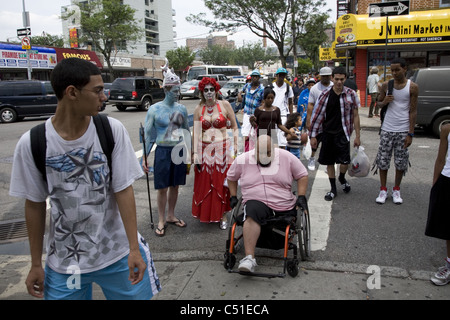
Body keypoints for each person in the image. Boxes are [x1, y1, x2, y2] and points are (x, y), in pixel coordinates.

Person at [9, 58, 160, 300]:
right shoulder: (34, 143)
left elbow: (123, 190)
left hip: (117, 254)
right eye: (98, 90)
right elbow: (35, 204)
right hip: (67, 263)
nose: (105, 97)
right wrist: (36, 263)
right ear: (72, 93)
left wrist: (134, 249)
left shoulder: (110, 130)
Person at [226, 135, 309, 273]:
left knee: (255, 210)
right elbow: (231, 177)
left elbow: (302, 175)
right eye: (261, 153)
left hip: (283, 204)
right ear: (255, 150)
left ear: (274, 149)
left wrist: (301, 196)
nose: (265, 156)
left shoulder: (286, 157)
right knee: (251, 210)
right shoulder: (243, 159)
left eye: (268, 152)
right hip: (256, 203)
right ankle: (249, 259)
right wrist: (233, 196)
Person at [144, 59, 190, 236]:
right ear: (166, 89)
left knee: (175, 186)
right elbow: (149, 135)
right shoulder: (154, 110)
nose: (177, 93)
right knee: (162, 187)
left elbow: (186, 131)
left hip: (178, 149)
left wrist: (190, 153)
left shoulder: (182, 109)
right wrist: (145, 158)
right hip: (162, 150)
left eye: (179, 89)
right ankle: (161, 219)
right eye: (175, 90)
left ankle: (171, 215)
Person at [192, 77, 238, 229]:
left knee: (221, 183)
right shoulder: (199, 109)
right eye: (206, 90)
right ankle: (207, 213)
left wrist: (236, 145)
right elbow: (196, 133)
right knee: (205, 183)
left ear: (216, 90)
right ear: (202, 92)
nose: (209, 93)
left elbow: (235, 127)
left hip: (223, 149)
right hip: (205, 150)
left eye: (212, 89)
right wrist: (195, 153)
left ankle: (223, 214)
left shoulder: (225, 105)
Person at [309, 66, 361, 201]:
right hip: (327, 133)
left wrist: (358, 136)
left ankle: (342, 177)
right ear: (332, 78)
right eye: (336, 79)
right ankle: (333, 189)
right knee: (329, 162)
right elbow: (317, 115)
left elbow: (356, 115)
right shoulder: (325, 94)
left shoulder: (351, 94)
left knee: (344, 161)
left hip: (343, 133)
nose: (339, 82)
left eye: (341, 79)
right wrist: (313, 135)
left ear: (345, 79)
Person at [374, 58, 418, 205]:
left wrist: (410, 133)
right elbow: (378, 104)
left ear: (405, 69)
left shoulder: (412, 87)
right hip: (387, 129)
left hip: (403, 129)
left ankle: (396, 189)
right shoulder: (387, 85)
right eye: (392, 70)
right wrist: (384, 101)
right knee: (383, 161)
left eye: (397, 70)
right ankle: (383, 189)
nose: (394, 73)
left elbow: (413, 111)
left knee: (401, 162)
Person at [425, 124, 450, 286]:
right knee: (448, 229)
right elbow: (440, 158)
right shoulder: (447, 129)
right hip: (447, 180)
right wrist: (435, 185)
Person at [306, 67, 334, 170]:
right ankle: (312, 158)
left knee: (329, 143)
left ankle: (328, 163)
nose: (326, 78)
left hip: (330, 120)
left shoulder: (334, 86)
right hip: (317, 120)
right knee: (315, 142)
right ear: (320, 77)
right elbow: (310, 105)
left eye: (328, 76)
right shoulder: (315, 88)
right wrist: (308, 120)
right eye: (324, 76)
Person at [238, 70, 265, 151]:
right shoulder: (247, 86)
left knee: (254, 134)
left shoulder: (262, 89)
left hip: (256, 115)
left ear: (259, 78)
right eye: (253, 76)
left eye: (256, 76)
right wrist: (239, 96)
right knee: (245, 134)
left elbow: (263, 102)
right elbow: (240, 92)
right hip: (247, 113)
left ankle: (254, 151)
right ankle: (245, 151)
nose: (254, 78)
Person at [272, 68, 294, 149]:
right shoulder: (271, 86)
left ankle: (282, 158)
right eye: (280, 75)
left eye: (283, 75)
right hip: (272, 115)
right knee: (273, 140)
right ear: (276, 75)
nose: (281, 77)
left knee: (282, 140)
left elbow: (290, 102)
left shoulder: (288, 87)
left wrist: (291, 116)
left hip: (283, 115)